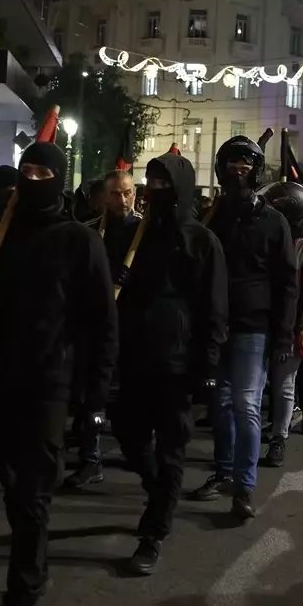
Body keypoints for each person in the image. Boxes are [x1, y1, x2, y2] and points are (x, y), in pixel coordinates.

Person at [0, 140, 117, 606]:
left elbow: (102, 323)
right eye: (24, 171)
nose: (30, 180)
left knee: (33, 490)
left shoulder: (79, 241)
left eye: (41, 173)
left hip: (50, 379)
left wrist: (95, 394)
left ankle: (22, 593)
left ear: (59, 180)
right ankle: (34, 559)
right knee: (9, 479)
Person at [113, 152, 227, 575]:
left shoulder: (201, 241)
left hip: (178, 362)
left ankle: (154, 532)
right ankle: (159, 487)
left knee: (171, 448)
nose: (155, 190)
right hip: (136, 355)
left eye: (164, 183)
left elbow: (214, 308)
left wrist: (207, 366)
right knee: (128, 432)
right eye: (151, 182)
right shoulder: (136, 236)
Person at [188, 136, 296, 520]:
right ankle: (223, 472)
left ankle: (244, 486)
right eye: (232, 163)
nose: (239, 170)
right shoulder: (211, 218)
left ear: (257, 170)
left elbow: (287, 283)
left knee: (246, 405)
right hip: (215, 326)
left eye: (245, 163)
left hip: (254, 328)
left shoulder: (274, 222)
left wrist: (284, 334)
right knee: (218, 404)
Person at [66, 169, 139, 490]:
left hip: (132, 322)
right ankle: (90, 457)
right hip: (95, 322)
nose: (122, 200)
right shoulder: (90, 232)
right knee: (92, 393)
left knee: (130, 393)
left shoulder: (144, 233)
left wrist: (135, 279)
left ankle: (136, 448)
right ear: (103, 197)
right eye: (115, 194)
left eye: (127, 193)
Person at [262, 182, 303, 468]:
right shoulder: (266, 237)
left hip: (292, 326)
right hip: (261, 322)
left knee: (284, 386)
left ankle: (279, 437)